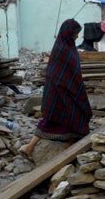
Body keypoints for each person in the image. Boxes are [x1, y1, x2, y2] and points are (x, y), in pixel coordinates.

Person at [20, 19, 92, 160]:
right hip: (59, 91)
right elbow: (59, 73)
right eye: (75, 34)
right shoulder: (62, 48)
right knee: (52, 118)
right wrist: (71, 86)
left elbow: (72, 71)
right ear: (68, 33)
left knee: (76, 116)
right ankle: (29, 147)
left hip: (68, 89)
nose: (77, 37)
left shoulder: (68, 47)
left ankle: (67, 145)